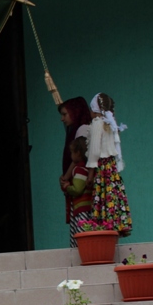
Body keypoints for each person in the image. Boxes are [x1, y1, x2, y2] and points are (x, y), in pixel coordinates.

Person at [86, 92, 131, 236]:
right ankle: (116, 223)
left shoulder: (97, 124)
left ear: (94, 110)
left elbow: (94, 150)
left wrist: (90, 174)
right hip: (111, 167)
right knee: (111, 194)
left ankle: (104, 226)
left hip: (102, 166)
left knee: (102, 194)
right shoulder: (110, 124)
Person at [57, 97, 93, 232]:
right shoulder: (78, 129)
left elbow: (77, 157)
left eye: (65, 114)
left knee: (80, 226)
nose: (62, 119)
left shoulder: (82, 130)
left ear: (75, 112)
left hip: (80, 186)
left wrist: (66, 177)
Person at [62, 136, 93, 246]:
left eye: (72, 153)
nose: (71, 156)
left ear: (78, 153)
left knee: (81, 239)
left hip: (82, 211)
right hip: (82, 210)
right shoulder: (87, 169)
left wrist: (67, 187)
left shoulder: (80, 169)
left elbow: (77, 189)